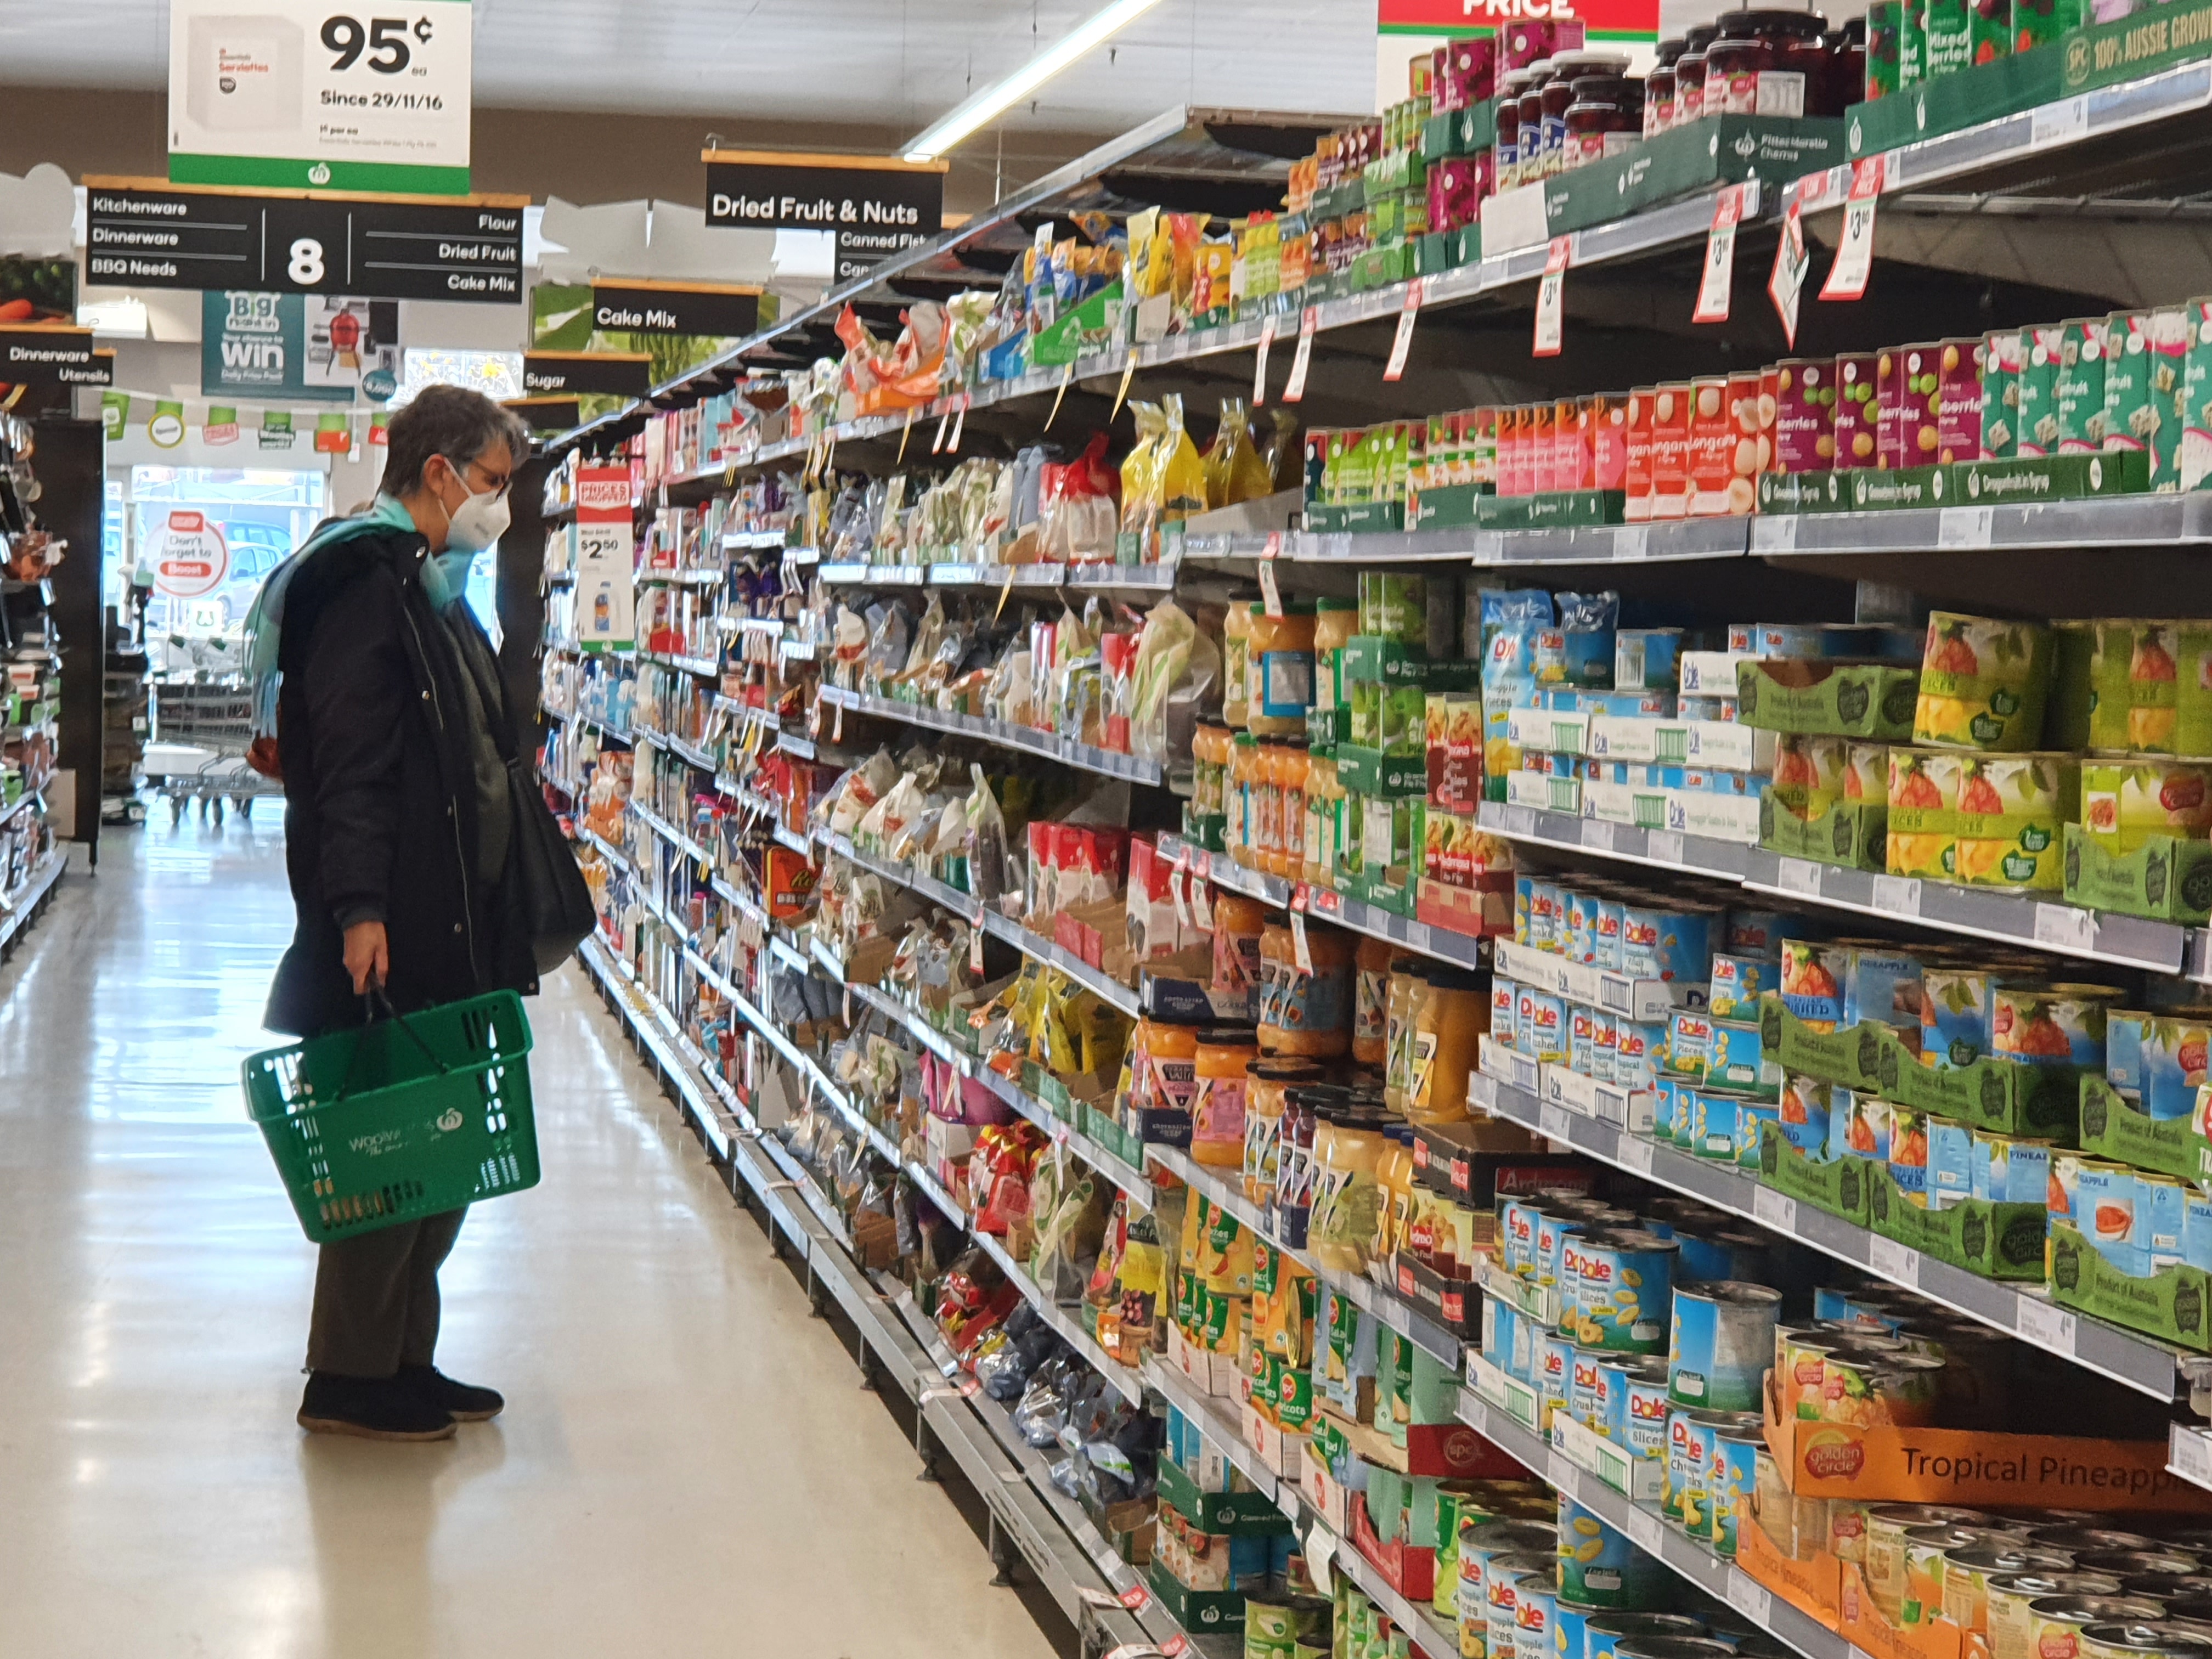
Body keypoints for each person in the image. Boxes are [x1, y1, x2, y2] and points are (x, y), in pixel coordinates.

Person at [250, 386, 539, 1441]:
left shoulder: (423, 583)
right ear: (439, 475)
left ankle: (404, 1357)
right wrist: (360, 907)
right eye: (492, 484)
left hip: (446, 917)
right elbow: (358, 772)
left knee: (440, 1148)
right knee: (388, 1147)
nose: (498, 505)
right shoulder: (364, 591)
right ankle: (348, 1378)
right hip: (397, 921)